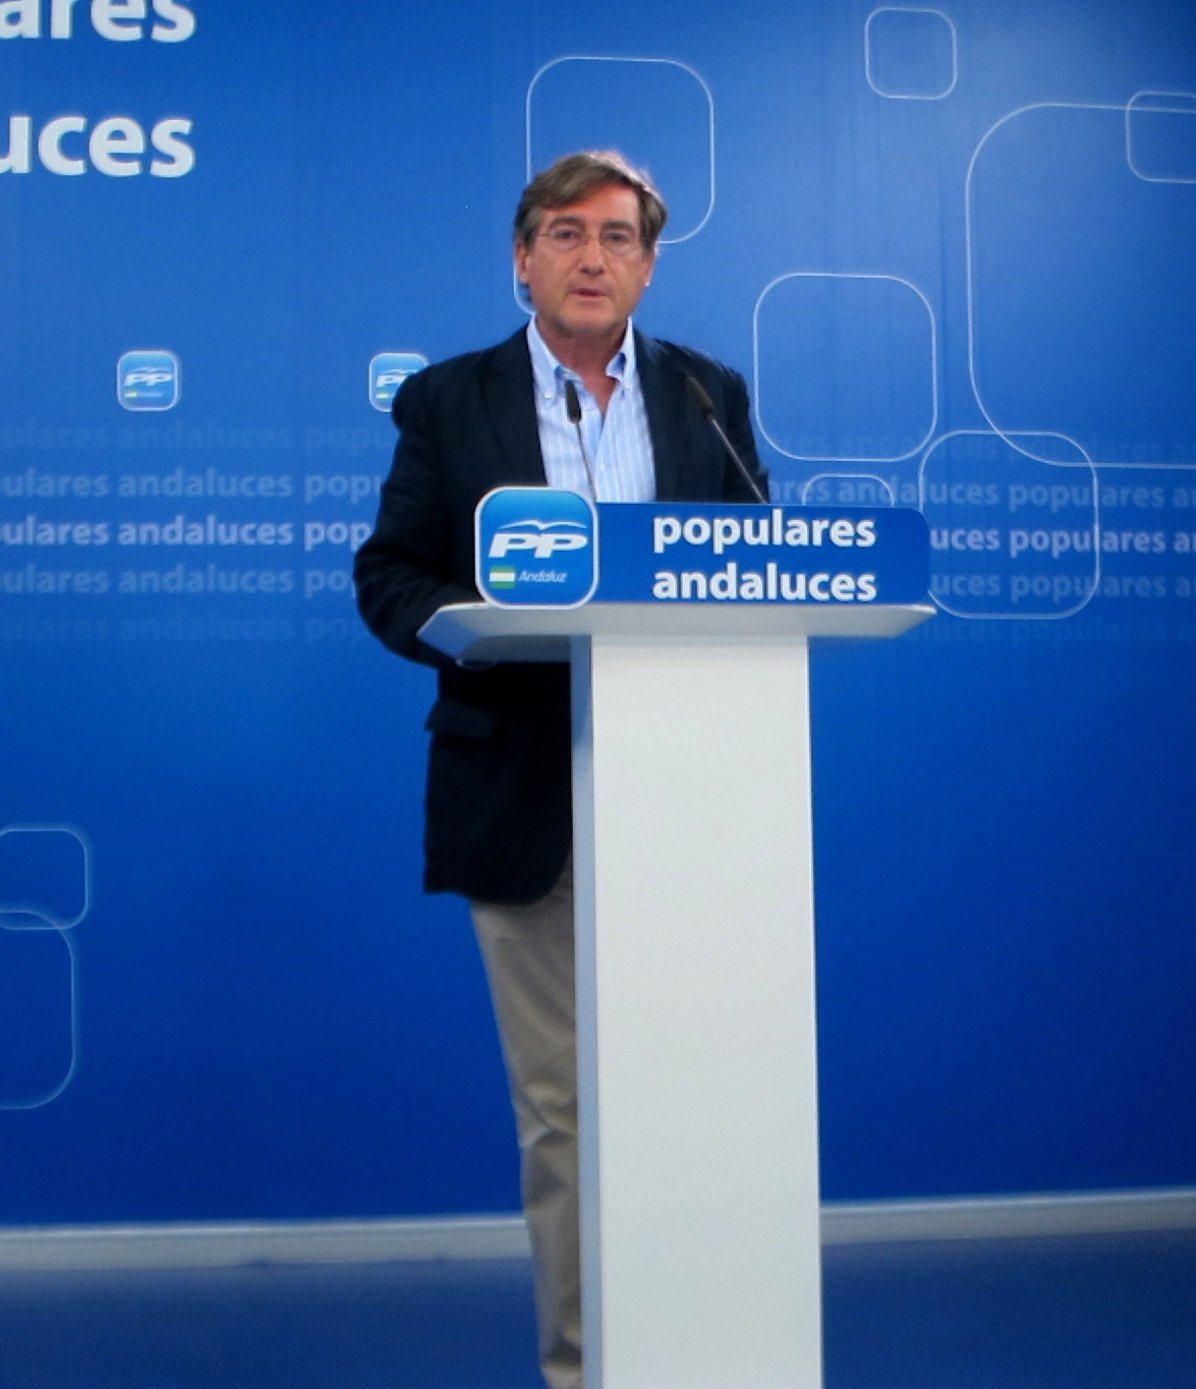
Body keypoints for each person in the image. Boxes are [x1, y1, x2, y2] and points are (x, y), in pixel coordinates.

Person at [353, 150, 767, 1389]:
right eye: (568, 233)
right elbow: (391, 575)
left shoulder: (706, 393)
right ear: (523, 257)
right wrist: (474, 630)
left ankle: (704, 1352)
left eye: (620, 236)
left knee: (698, 1092)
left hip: (692, 796)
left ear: (649, 264)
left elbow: (754, 562)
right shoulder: (450, 399)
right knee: (566, 1109)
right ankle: (587, 1367)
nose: (595, 257)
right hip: (524, 790)